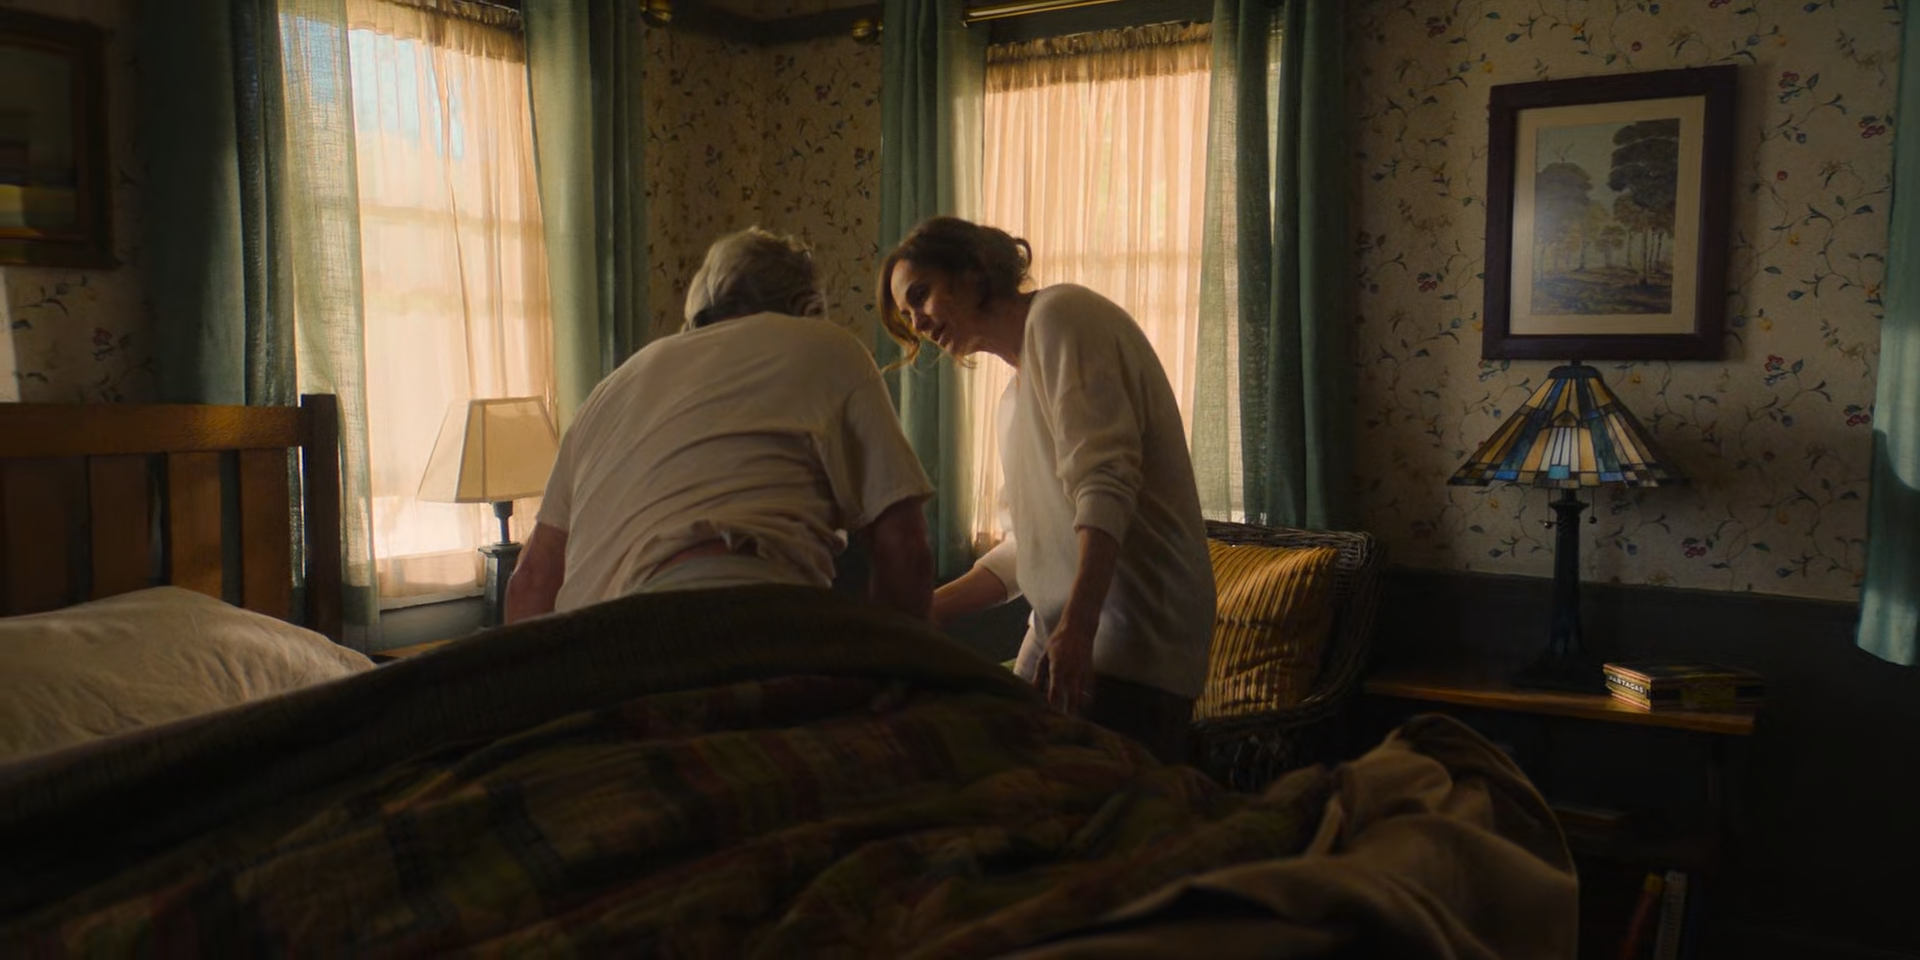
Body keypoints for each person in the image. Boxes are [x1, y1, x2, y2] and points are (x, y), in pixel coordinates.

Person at [877, 216, 1215, 763]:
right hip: (1063, 638)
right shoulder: (1012, 404)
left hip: (1135, 643)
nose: (917, 322)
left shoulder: (1062, 315)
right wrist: (924, 612)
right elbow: (1025, 550)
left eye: (920, 295)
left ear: (974, 270)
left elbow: (1106, 481)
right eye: (906, 314)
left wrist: (1078, 627)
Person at [506, 227, 935, 623]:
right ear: (806, 305)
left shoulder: (608, 390)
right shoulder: (827, 348)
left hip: (597, 649)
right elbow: (905, 550)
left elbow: (532, 580)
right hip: (742, 621)